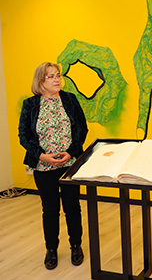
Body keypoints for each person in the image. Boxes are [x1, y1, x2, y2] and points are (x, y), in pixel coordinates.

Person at [18, 62, 88, 270]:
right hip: (43, 166)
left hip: (70, 164)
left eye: (58, 75)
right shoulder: (30, 105)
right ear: (41, 81)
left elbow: (81, 129)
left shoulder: (70, 100)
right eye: (51, 76)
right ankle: (51, 249)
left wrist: (71, 152)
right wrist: (42, 156)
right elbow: (24, 135)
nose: (57, 79)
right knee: (50, 209)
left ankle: (76, 245)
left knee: (72, 208)